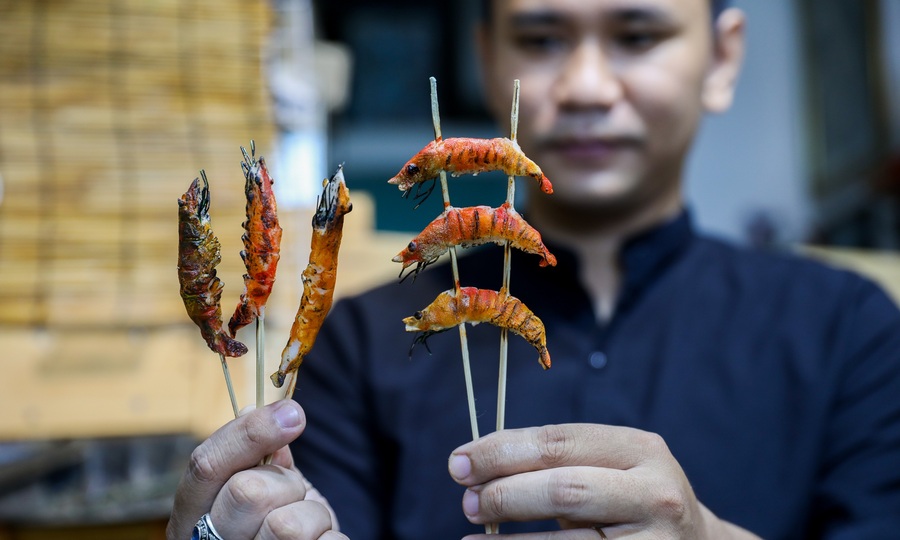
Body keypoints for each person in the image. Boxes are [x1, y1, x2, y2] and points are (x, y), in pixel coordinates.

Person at [167, 0, 900, 538]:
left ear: (723, 58)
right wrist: (226, 531)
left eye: (637, 36)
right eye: (542, 38)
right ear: (488, 57)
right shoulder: (361, 343)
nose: (586, 86)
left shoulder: (851, 331)